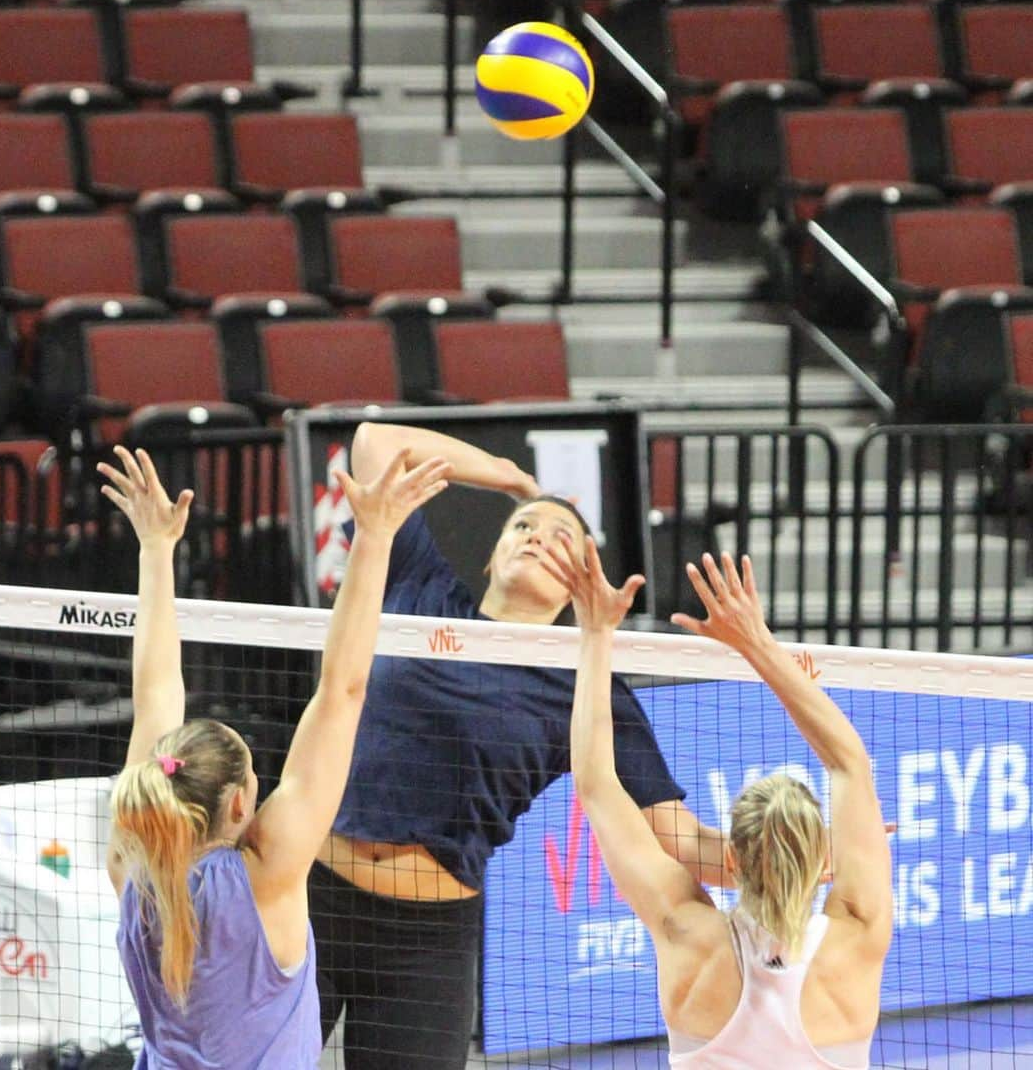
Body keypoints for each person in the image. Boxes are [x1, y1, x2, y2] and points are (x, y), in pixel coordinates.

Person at [309, 422, 729, 1068]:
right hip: (316, 902)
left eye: (562, 537)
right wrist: (506, 476)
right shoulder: (421, 588)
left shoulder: (583, 684)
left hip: (427, 947)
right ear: (490, 556)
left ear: (579, 581)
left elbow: (686, 842)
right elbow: (371, 442)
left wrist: (799, 862)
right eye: (522, 528)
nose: (537, 537)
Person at [99, 443, 451, 1069]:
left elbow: (155, 694)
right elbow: (342, 690)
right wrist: (374, 539)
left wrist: (154, 551)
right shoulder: (268, 875)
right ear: (240, 801)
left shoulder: (132, 870)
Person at [544, 540, 892, 1069]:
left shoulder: (688, 933)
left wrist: (595, 633)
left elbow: (596, 784)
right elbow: (849, 763)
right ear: (825, 862)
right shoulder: (858, 934)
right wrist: (758, 645)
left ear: (730, 861)